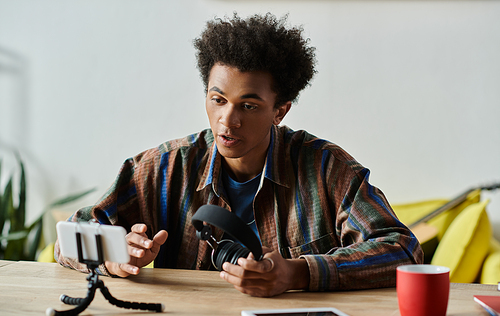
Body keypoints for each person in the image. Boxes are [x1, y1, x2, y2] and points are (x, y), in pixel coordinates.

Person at [55, 13, 423, 297]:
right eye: (217, 100)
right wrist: (114, 256)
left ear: (280, 111)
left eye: (248, 106)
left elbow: (403, 249)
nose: (227, 120)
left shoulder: (327, 168)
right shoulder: (161, 169)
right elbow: (67, 240)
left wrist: (299, 272)